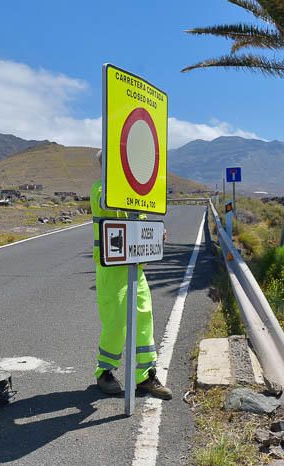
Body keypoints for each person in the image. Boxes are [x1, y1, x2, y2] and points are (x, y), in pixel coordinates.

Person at [90, 150, 172, 400]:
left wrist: (154, 236)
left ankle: (145, 377)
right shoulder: (101, 190)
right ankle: (104, 372)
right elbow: (110, 204)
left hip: (135, 268)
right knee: (116, 323)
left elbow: (138, 224)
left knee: (144, 319)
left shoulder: (136, 193)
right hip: (112, 268)